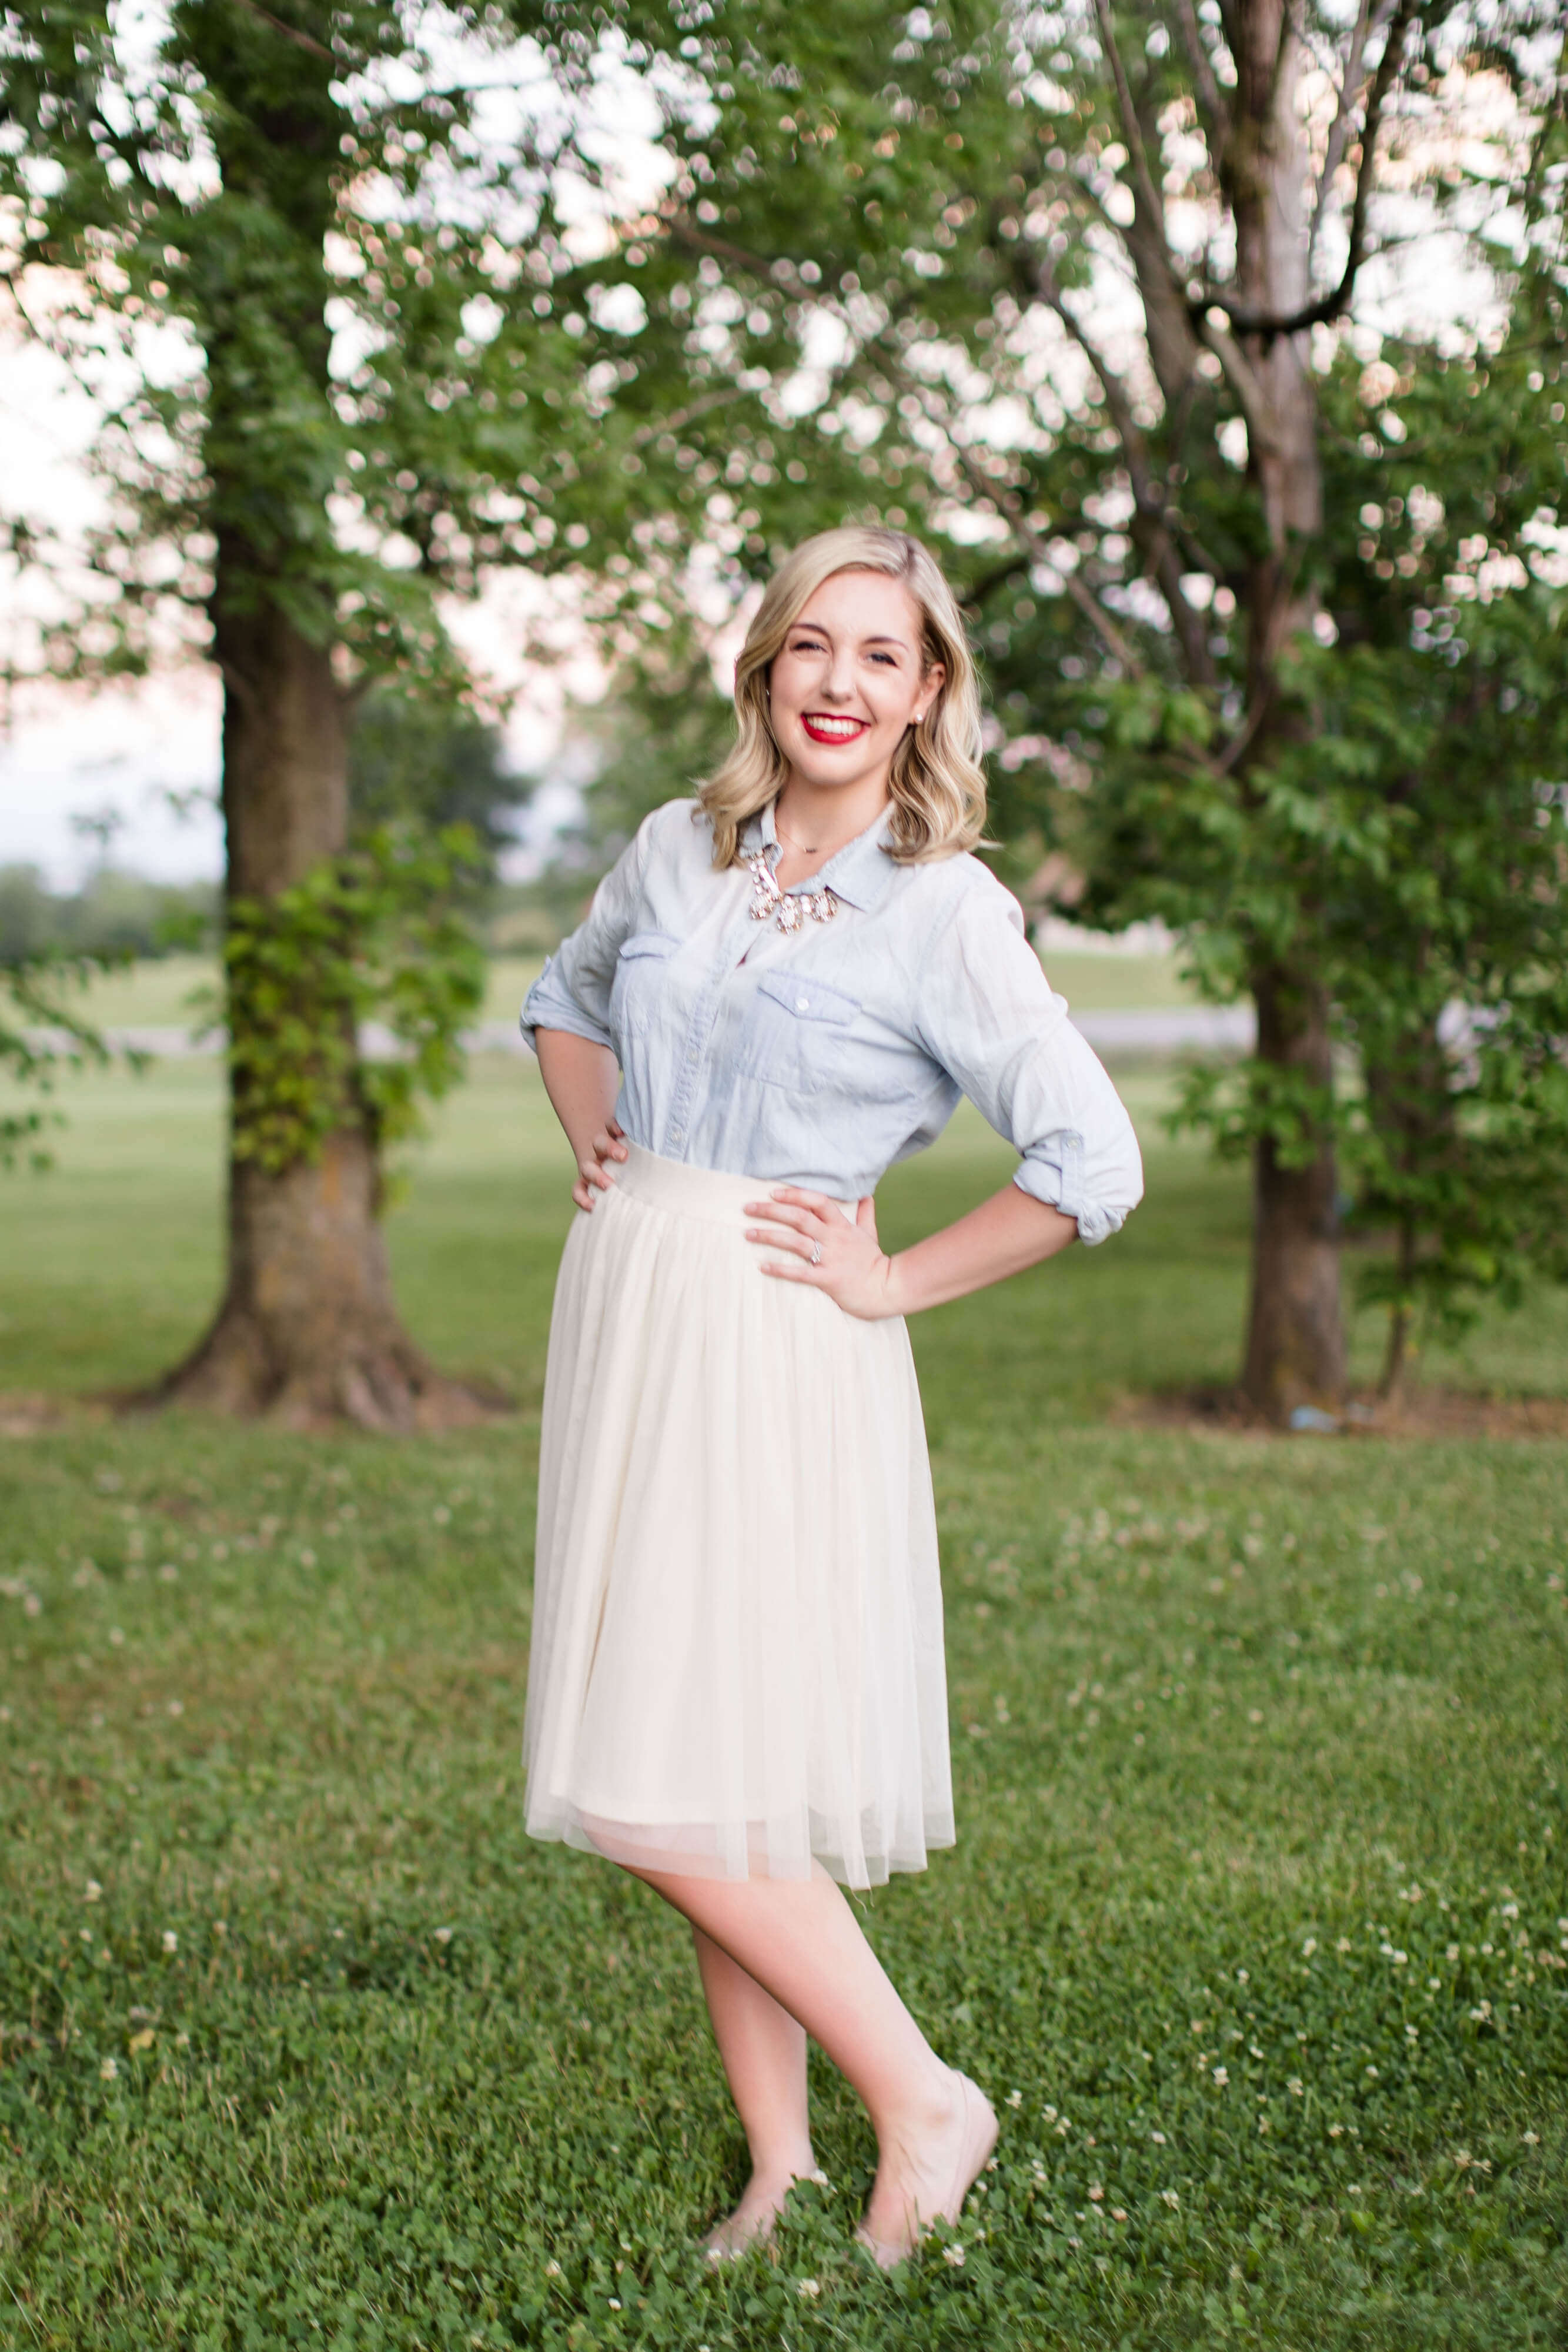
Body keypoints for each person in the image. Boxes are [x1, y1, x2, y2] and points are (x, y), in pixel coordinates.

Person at [519, 525, 1143, 2266]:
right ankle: (781, 2165)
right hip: (632, 1310)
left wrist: (889, 1280)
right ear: (763, 668)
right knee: (718, 1756)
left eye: (879, 655)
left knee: (655, 1785)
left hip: (779, 1342)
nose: (837, 684)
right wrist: (598, 1145)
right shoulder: (675, 847)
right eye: (810, 646)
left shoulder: (943, 910)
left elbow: (1090, 1160)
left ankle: (923, 2095)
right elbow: (562, 1003)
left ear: (927, 689)